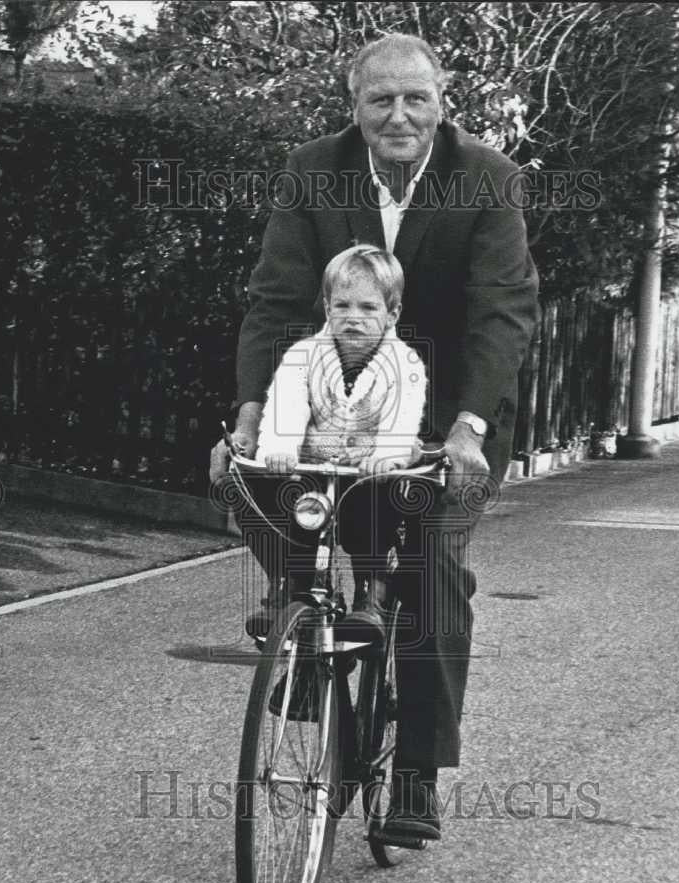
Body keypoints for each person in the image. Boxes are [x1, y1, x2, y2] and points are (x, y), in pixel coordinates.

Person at [211, 32, 539, 841]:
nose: (398, 116)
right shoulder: (312, 169)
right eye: (379, 100)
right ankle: (303, 603)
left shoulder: (488, 180)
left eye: (414, 99)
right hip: (330, 404)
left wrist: (466, 427)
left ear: (441, 102)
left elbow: (503, 309)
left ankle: (416, 775)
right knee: (240, 477)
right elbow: (276, 296)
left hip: (446, 416)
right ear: (353, 106)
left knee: (429, 568)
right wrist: (252, 411)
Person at [253, 241, 427, 643]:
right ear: (327, 307)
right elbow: (287, 404)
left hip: (365, 471)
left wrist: (386, 454)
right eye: (342, 306)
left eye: (368, 308)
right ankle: (290, 588)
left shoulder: (404, 364)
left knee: (373, 507)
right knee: (292, 503)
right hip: (314, 463)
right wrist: (278, 449)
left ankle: (371, 591)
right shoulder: (304, 356)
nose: (354, 318)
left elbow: (402, 420)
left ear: (391, 314)